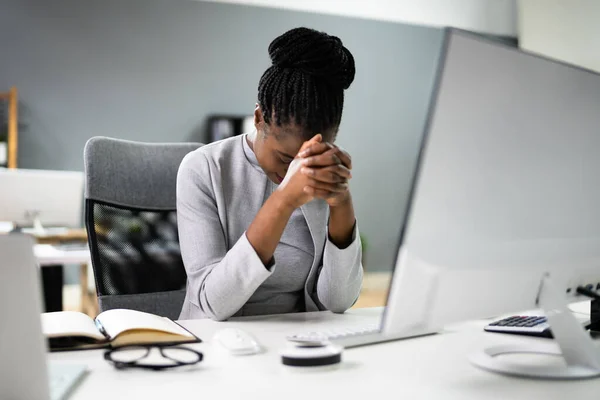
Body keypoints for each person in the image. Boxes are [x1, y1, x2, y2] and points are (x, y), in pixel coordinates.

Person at [177, 27, 363, 321]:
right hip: (218, 345)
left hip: (295, 342)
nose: (295, 173)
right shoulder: (203, 169)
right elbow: (212, 304)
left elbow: (338, 302)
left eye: (303, 160)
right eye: (286, 157)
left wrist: (341, 203)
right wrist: (284, 199)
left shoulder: (318, 170)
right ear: (259, 117)